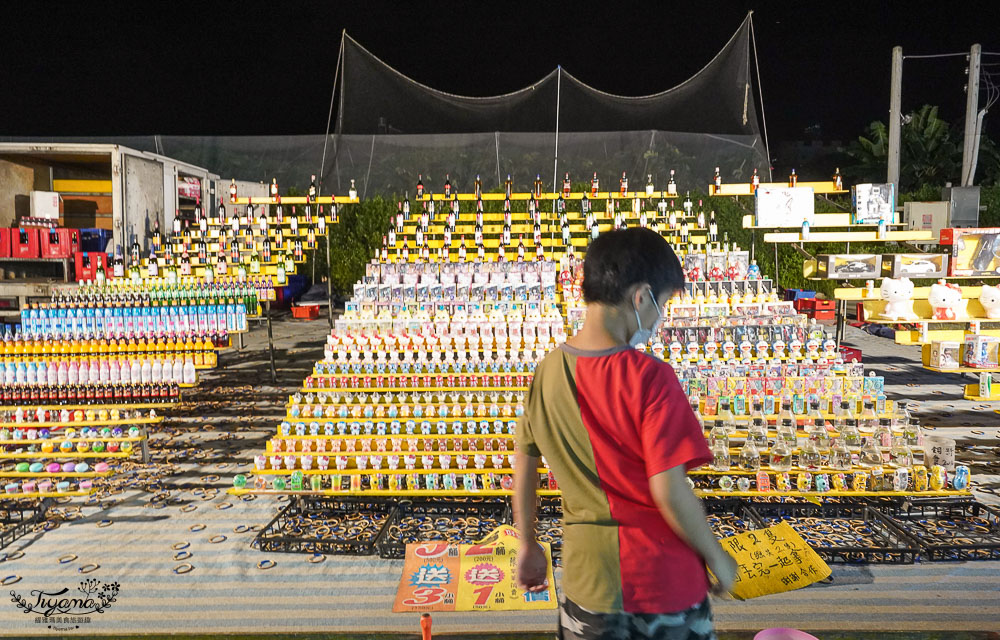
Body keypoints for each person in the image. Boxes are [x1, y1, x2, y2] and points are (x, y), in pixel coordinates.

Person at [514, 227, 737, 640]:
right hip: (662, 584)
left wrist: (528, 544)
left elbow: (525, 465)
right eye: (662, 305)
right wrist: (717, 557)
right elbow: (669, 490)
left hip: (587, 584)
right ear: (640, 297)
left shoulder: (546, 372)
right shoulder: (651, 378)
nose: (658, 319)